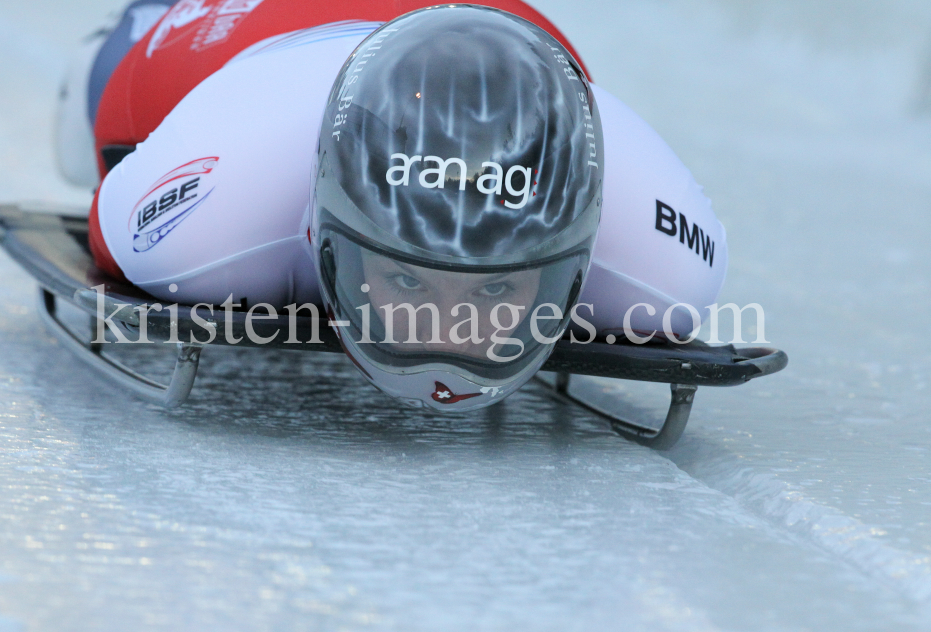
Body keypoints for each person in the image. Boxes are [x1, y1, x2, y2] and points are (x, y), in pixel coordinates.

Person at [56, 0, 728, 410]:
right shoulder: (201, 225)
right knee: (95, 113)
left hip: (520, 36)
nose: (448, 336)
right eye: (408, 278)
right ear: (323, 228)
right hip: (264, 29)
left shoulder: (667, 262)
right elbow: (109, 223)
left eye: (496, 287)